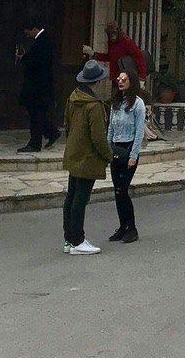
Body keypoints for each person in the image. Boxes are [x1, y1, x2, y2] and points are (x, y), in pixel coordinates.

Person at [61, 59, 113, 255]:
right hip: (88, 157)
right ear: (98, 81)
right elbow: (98, 137)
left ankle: (69, 239)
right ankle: (78, 241)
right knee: (80, 200)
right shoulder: (95, 106)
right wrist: (109, 156)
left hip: (74, 152)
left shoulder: (73, 98)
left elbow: (66, 124)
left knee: (71, 197)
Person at [106, 68, 147, 244]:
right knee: (117, 191)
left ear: (131, 82)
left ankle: (132, 228)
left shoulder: (137, 104)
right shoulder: (116, 103)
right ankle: (122, 227)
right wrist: (107, 149)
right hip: (116, 149)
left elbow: (139, 131)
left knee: (123, 190)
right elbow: (111, 128)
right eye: (119, 79)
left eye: (124, 79)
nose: (120, 82)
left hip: (129, 148)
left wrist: (134, 154)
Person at [17, 21, 59, 153]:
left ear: (34, 29)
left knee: (36, 114)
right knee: (37, 113)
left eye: (28, 32)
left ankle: (35, 143)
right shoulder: (42, 40)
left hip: (38, 87)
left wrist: (23, 58)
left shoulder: (43, 41)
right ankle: (51, 132)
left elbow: (36, 61)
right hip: (39, 86)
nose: (28, 36)